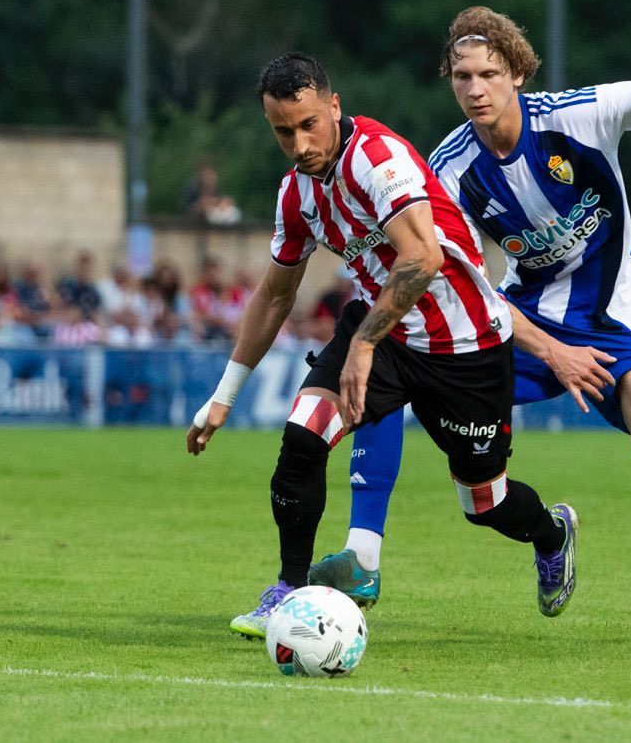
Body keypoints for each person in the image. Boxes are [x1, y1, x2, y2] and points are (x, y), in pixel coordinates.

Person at [319, 6, 631, 654]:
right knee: (419, 402)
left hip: (619, 325)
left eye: (488, 74)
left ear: (517, 73)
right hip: (525, 324)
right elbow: (467, 285)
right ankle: (430, 549)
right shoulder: (448, 169)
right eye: (461, 76)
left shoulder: (579, 115)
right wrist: (553, 351)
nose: (474, 89)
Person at [186, 52, 577, 638]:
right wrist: (225, 394)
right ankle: (288, 591)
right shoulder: (296, 194)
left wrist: (365, 345)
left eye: (308, 124)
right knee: (303, 435)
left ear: (334, 106)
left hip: (463, 345)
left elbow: (424, 257)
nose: (298, 144)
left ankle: (553, 531)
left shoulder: (377, 157)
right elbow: (273, 295)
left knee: (485, 503)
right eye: (282, 131)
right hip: (385, 330)